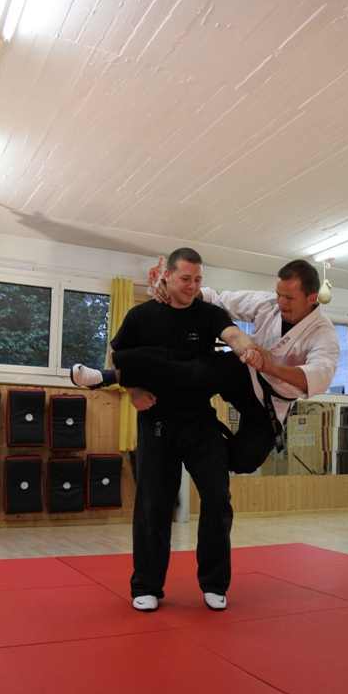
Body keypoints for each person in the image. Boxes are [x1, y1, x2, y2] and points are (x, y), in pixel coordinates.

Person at [91, 247, 256, 614]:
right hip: (156, 420)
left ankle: (214, 584)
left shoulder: (208, 313)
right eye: (185, 279)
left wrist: (248, 348)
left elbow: (232, 334)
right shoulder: (141, 316)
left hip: (200, 421)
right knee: (154, 503)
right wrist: (134, 392)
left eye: (198, 280)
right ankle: (147, 586)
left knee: (218, 498)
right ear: (166, 276)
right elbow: (117, 359)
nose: (192, 286)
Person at [72, 261, 340, 475]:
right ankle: (111, 374)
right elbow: (219, 299)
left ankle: (201, 448)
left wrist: (271, 366)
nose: (281, 302)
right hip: (245, 374)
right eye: (279, 294)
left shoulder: (323, 333)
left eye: (289, 297)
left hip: (273, 402)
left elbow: (320, 375)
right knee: (193, 369)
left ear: (312, 298)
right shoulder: (267, 303)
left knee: (245, 460)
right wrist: (177, 289)